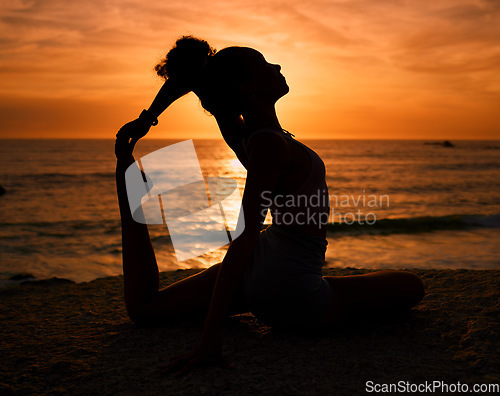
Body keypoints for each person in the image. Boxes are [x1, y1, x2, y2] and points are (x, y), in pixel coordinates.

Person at [115, 35, 425, 375]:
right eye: (264, 64)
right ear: (248, 86)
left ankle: (126, 187)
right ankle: (301, 297)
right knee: (411, 286)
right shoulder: (266, 145)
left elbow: (194, 78)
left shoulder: (246, 139)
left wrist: (148, 118)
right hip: (287, 287)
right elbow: (244, 237)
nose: (276, 66)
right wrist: (209, 340)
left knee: (146, 309)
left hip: (262, 268)